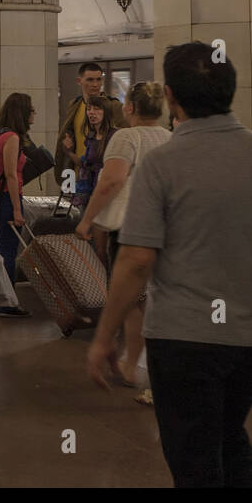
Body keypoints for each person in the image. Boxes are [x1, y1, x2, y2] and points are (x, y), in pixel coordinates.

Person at [88, 43, 252, 487]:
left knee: (194, 459)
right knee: (228, 436)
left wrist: (105, 334)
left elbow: (135, 259)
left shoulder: (162, 163)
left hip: (186, 336)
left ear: (171, 96)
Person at [76, 81, 170, 389]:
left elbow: (111, 182)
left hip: (130, 229)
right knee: (149, 299)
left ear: (129, 108)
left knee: (132, 300)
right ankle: (140, 363)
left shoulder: (126, 137)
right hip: (164, 229)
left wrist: (87, 220)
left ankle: (131, 365)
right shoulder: (170, 138)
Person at [0, 93, 36, 318]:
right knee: (7, 250)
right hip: (7, 198)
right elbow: (10, 174)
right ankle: (7, 302)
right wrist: (17, 209)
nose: (34, 114)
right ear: (22, 113)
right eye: (31, 110)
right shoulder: (12, 137)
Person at [56, 61, 126, 178]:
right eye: (90, 80)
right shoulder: (74, 105)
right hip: (77, 171)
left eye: (98, 80)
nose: (95, 84)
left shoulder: (113, 106)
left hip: (102, 173)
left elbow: (124, 137)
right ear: (79, 81)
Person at [68, 95, 117, 213]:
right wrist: (68, 152)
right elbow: (85, 164)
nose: (91, 113)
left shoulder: (114, 136)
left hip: (105, 191)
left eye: (97, 109)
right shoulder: (91, 136)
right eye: (89, 109)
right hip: (88, 190)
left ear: (106, 112)